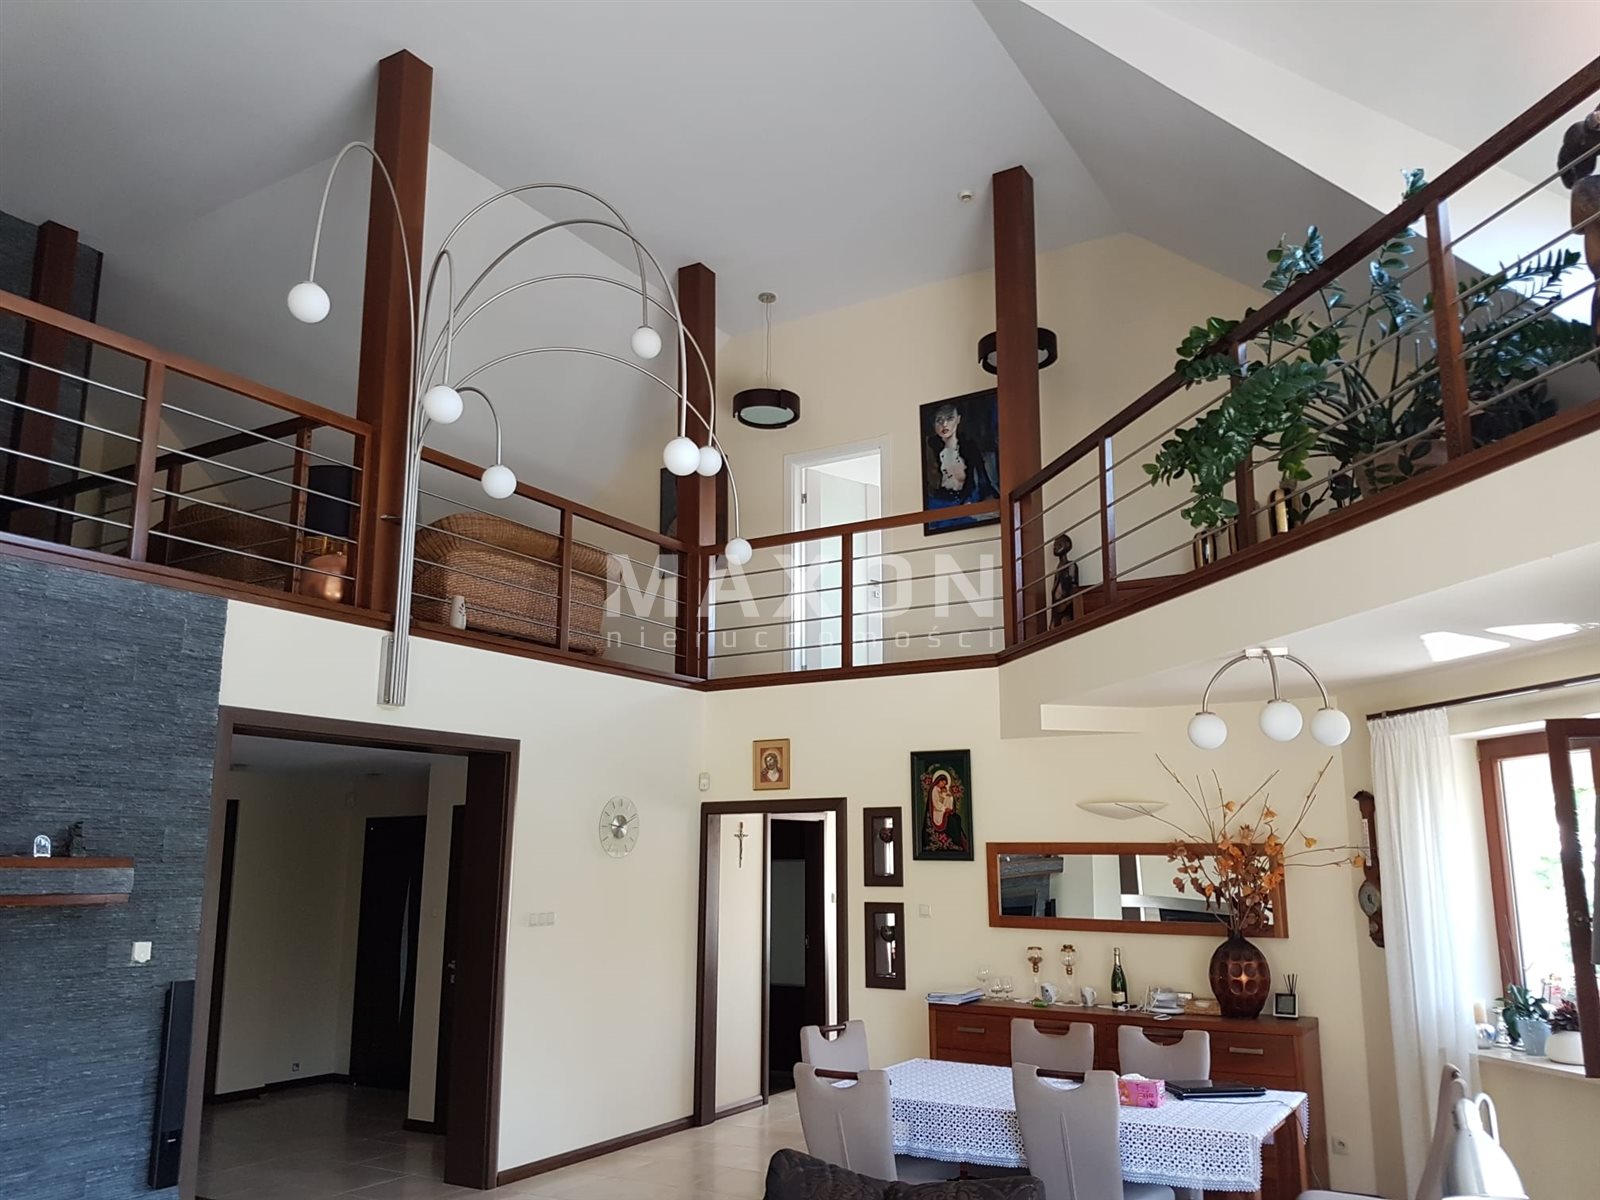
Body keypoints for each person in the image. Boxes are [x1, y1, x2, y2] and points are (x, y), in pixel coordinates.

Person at [924, 401, 998, 531]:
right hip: (940, 507)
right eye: (939, 420)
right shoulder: (929, 451)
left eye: (949, 418)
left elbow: (984, 483)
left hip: (968, 506)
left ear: (958, 419)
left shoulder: (969, 448)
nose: (944, 424)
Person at [922, 768, 969, 854]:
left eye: (945, 783)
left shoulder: (942, 790)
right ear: (938, 781)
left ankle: (957, 841)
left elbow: (947, 800)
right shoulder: (934, 790)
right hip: (937, 812)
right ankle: (954, 841)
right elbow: (935, 803)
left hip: (943, 811)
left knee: (957, 818)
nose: (943, 784)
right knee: (952, 820)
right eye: (942, 782)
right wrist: (944, 809)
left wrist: (949, 796)